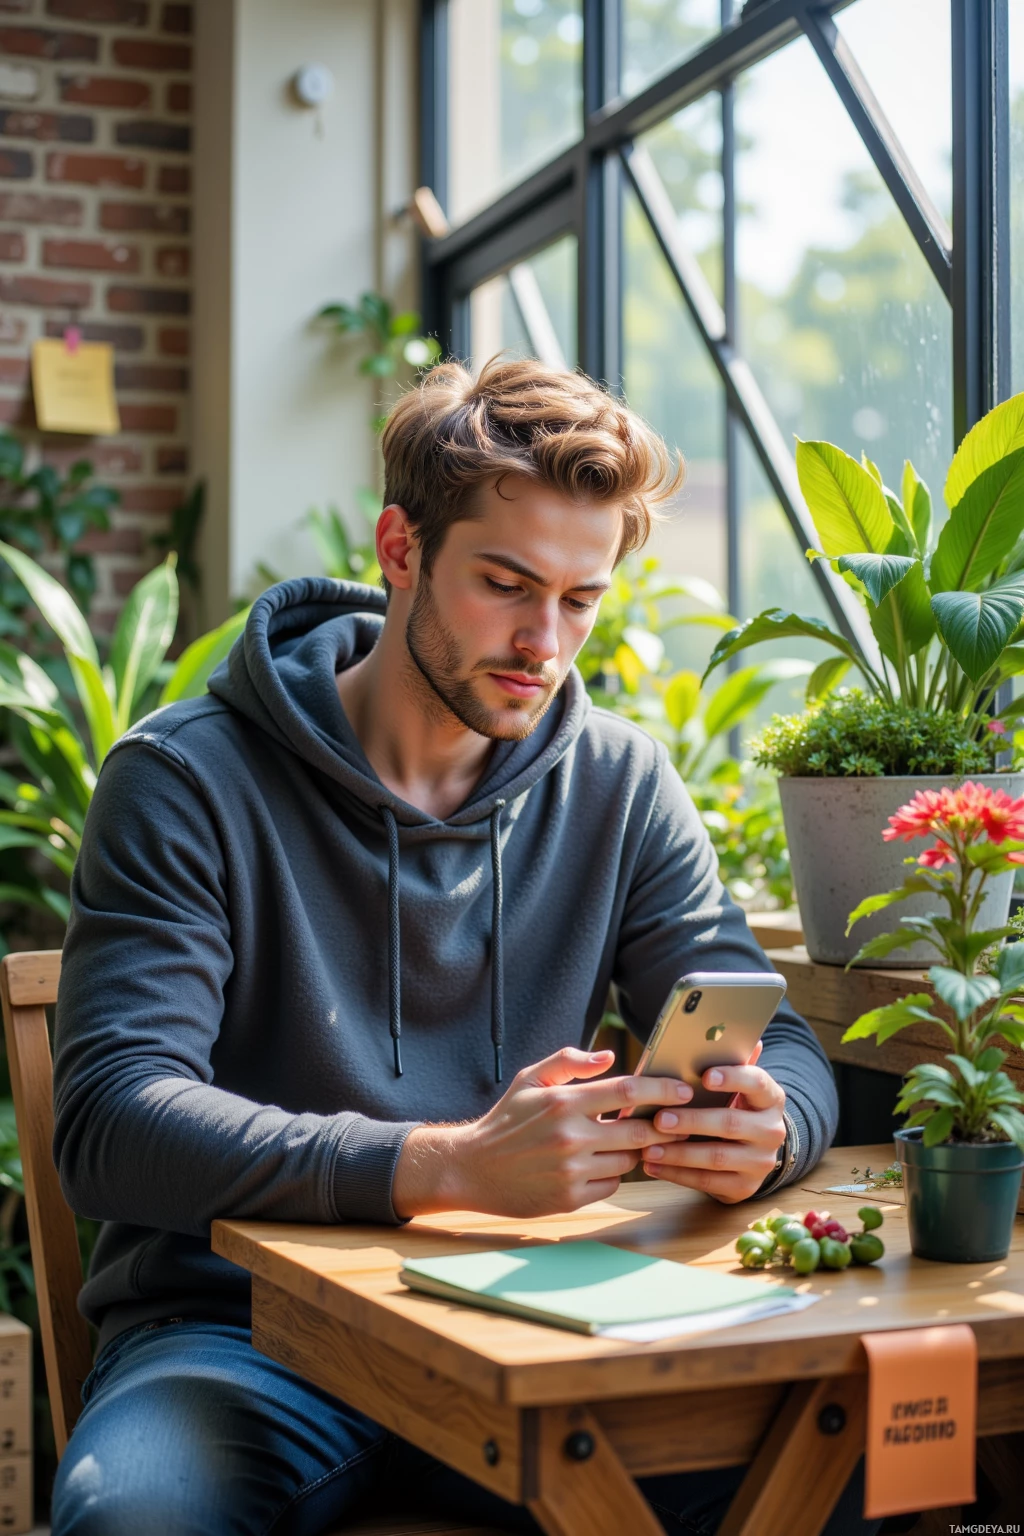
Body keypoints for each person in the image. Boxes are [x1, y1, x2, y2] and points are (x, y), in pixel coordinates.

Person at [51, 359, 862, 1536]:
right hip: (245, 1333)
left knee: (837, 1479)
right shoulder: (185, 781)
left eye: (580, 600)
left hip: (535, 1320)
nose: (544, 641)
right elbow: (113, 1122)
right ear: (399, 549)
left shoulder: (620, 785)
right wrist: (444, 1164)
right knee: (137, 1522)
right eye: (504, 583)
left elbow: (773, 1035)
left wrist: (767, 1125)